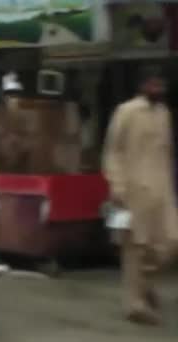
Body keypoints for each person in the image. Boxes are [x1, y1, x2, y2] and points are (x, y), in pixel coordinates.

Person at [103, 67, 178, 325]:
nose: (159, 90)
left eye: (162, 85)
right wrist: (117, 186)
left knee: (170, 243)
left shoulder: (163, 113)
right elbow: (113, 152)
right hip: (133, 190)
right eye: (154, 85)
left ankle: (144, 283)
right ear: (143, 86)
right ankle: (135, 304)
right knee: (135, 248)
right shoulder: (127, 111)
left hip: (162, 190)